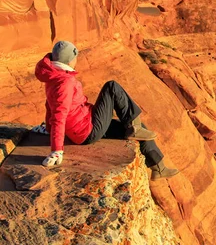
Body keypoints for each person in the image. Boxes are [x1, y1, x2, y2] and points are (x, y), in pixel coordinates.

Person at [34, 40, 179, 181]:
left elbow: (50, 105)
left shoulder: (53, 76)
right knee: (111, 87)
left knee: (142, 128)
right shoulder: (65, 81)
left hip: (86, 121)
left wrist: (48, 128)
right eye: (75, 58)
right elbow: (59, 115)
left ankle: (158, 168)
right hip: (87, 131)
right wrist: (56, 151)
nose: (76, 60)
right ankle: (134, 126)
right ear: (69, 60)